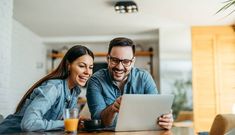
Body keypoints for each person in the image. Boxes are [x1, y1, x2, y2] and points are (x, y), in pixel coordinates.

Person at [0, 45, 94, 134]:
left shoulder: (74, 92)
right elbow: (29, 124)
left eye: (90, 67)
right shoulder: (53, 88)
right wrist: (68, 123)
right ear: (68, 65)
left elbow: (62, 122)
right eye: (82, 66)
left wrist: (77, 121)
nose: (88, 72)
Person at [86, 37, 173, 130]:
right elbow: (98, 122)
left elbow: (156, 113)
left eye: (126, 61)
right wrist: (112, 109)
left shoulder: (144, 78)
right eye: (114, 60)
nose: (119, 67)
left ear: (133, 62)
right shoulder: (95, 81)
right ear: (108, 59)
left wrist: (166, 120)